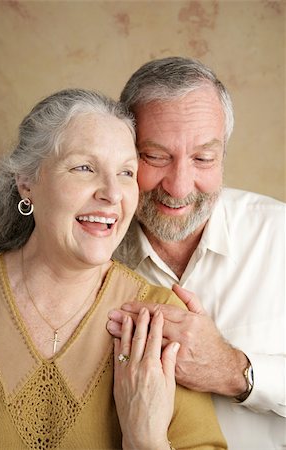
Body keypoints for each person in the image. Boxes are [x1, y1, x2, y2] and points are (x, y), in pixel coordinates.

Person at [0, 88, 227, 449]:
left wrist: (144, 438)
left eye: (127, 172)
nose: (113, 194)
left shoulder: (159, 320)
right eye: (85, 167)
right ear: (27, 183)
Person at [107, 57, 286, 450]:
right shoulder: (90, 250)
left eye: (203, 158)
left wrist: (234, 371)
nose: (178, 186)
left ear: (223, 155)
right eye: (155, 156)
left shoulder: (280, 236)